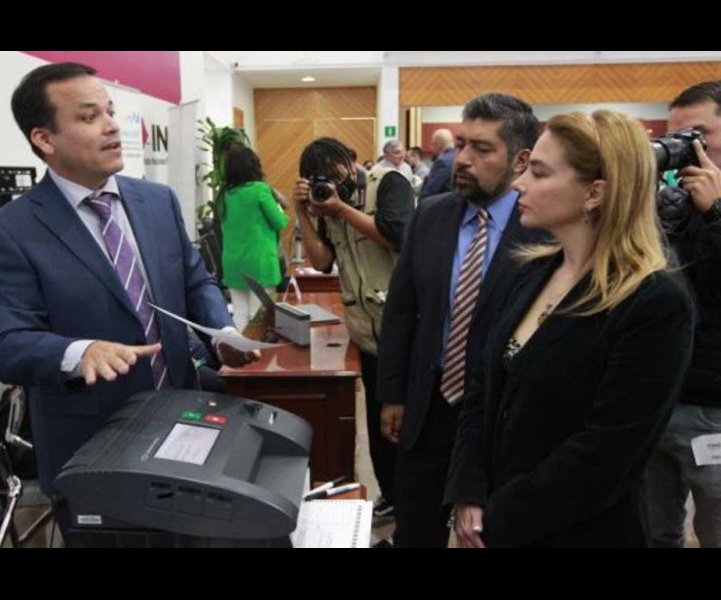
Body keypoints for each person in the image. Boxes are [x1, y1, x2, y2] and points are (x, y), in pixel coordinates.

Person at [0, 62, 258, 506]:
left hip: (186, 421)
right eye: (89, 117)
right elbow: (10, 345)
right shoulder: (10, 230)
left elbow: (195, 281)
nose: (111, 126)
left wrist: (221, 334)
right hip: (94, 449)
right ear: (44, 139)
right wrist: (78, 352)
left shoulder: (157, 201)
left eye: (110, 111)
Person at [447, 110, 695, 548]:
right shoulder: (529, 271)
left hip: (580, 530)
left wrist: (499, 517)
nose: (520, 184)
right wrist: (469, 490)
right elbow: (483, 386)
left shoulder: (655, 303)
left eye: (539, 173)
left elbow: (605, 454)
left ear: (594, 193)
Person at [378, 93, 543, 547]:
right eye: (462, 144)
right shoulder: (431, 215)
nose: (463, 159)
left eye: (482, 148)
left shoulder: (542, 229)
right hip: (428, 406)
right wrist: (392, 394)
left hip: (500, 417)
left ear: (521, 160)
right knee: (416, 532)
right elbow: (401, 311)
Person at [292, 137, 414, 530]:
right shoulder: (326, 205)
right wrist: (303, 212)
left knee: (408, 425)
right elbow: (322, 262)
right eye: (319, 178)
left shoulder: (388, 183)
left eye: (335, 171)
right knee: (380, 429)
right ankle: (392, 497)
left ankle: (416, 502)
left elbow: (397, 235)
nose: (331, 181)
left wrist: (341, 209)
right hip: (367, 335)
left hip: (406, 330)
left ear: (351, 161)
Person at [646, 80, 721, 548]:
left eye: (699, 135)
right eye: (675, 137)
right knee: (653, 532)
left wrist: (716, 212)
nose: (685, 149)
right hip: (659, 397)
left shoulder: (709, 206)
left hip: (714, 408)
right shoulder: (672, 203)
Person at [218, 145, 289, 330]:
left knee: (240, 314)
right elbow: (280, 221)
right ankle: (257, 349)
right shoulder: (260, 190)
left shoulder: (224, 195)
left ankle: (239, 347)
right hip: (260, 264)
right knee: (259, 318)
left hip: (233, 264)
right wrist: (280, 206)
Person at [418, 128, 456, 200]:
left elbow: (430, 191)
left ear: (438, 145)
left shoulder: (442, 162)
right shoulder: (459, 157)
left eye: (432, 144)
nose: (431, 147)